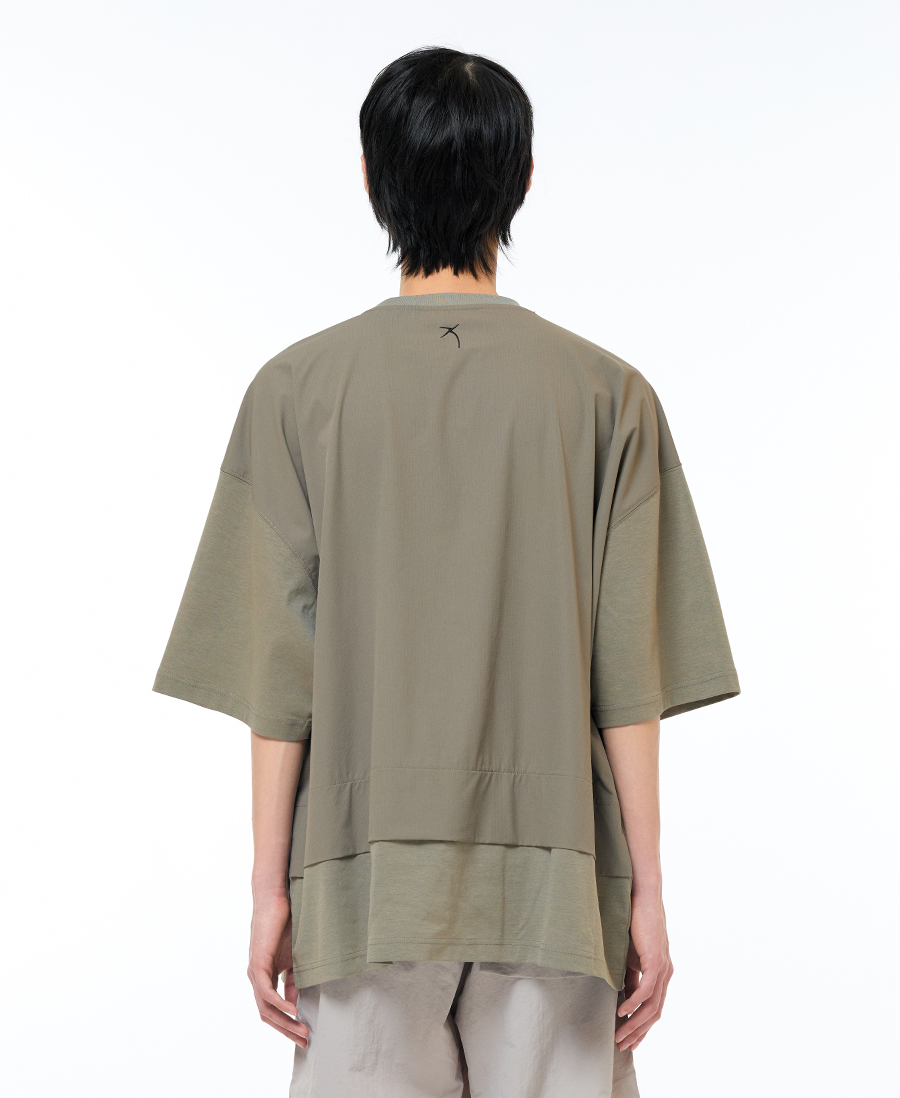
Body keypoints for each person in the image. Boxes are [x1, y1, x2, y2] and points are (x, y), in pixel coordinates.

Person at [152, 46, 740, 1098]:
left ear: (371, 177)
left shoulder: (295, 391)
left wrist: (270, 888)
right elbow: (631, 684)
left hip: (362, 883)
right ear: (522, 179)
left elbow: (280, 682)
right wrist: (648, 892)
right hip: (556, 886)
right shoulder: (609, 398)